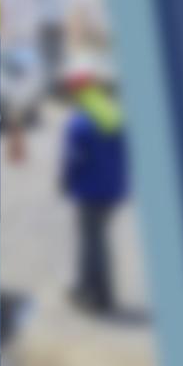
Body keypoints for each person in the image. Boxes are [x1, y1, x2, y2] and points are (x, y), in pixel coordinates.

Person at [61, 70, 126, 313]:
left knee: (93, 243)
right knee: (96, 240)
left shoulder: (81, 121)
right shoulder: (110, 113)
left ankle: (101, 296)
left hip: (90, 188)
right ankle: (86, 286)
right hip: (112, 187)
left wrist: (66, 181)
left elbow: (75, 158)